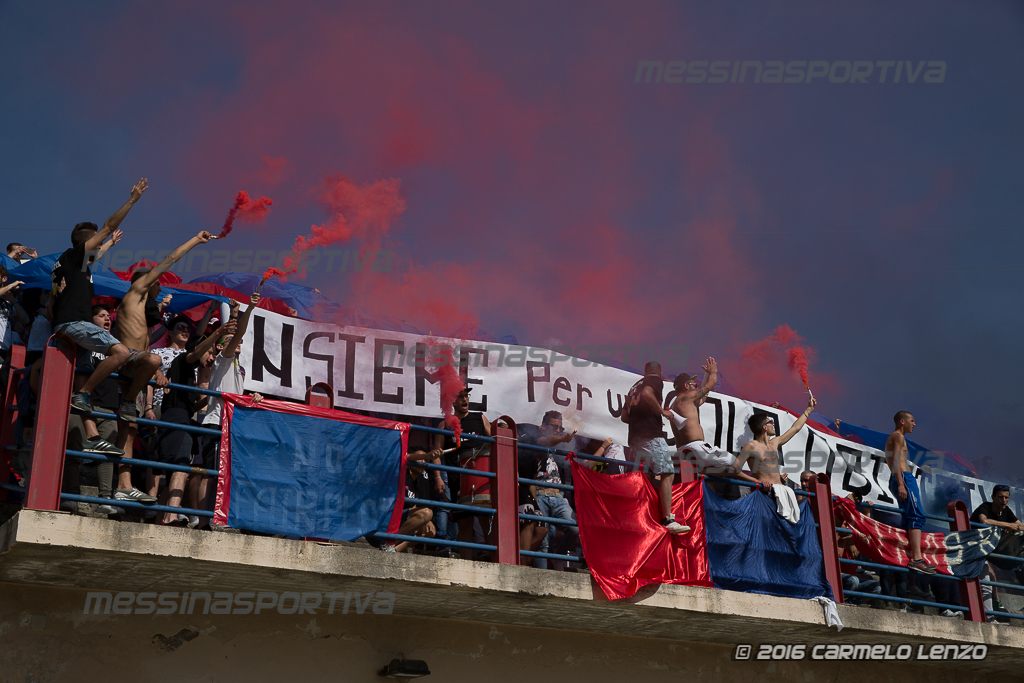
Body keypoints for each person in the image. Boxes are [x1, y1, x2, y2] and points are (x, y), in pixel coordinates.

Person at [55, 179, 148, 455]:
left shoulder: (72, 263)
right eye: (96, 239)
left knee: (83, 374)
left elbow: (95, 255)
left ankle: (93, 435)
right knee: (119, 352)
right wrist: (132, 200)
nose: (101, 240)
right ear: (87, 242)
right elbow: (109, 225)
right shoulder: (75, 255)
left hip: (68, 326)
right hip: (74, 324)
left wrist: (109, 243)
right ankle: (82, 396)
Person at [155, 324, 233, 526]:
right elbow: (194, 353)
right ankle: (171, 518)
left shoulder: (190, 376)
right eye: (209, 352)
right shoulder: (184, 360)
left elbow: (191, 405)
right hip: (177, 420)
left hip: (180, 418)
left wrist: (211, 398)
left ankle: (160, 519)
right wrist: (217, 333)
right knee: (182, 468)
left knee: (173, 472)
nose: (211, 357)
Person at [622, 360, 689, 534]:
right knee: (667, 472)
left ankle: (642, 515)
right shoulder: (653, 381)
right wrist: (662, 412)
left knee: (649, 476)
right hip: (650, 436)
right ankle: (668, 519)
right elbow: (647, 393)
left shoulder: (633, 388)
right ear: (659, 373)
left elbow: (624, 417)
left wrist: (646, 418)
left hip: (635, 439)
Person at [430, 387, 492, 560]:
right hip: (457, 480)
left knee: (486, 520)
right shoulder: (445, 425)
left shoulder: (480, 417)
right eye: (460, 397)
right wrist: (438, 477)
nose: (465, 400)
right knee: (464, 524)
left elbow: (495, 444)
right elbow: (436, 454)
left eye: (466, 396)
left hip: (481, 480)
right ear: (452, 401)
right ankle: (467, 564)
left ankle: (497, 563)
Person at [518, 411, 581, 570]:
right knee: (544, 539)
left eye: (560, 428)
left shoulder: (559, 450)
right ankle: (542, 575)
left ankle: (557, 559)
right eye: (554, 426)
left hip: (558, 497)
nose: (558, 430)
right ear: (543, 426)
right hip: (539, 493)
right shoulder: (535, 437)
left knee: (574, 529)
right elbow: (544, 440)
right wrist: (562, 438)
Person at [885, 411, 935, 575]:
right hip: (904, 479)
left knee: (910, 517)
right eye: (911, 421)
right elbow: (895, 462)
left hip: (904, 478)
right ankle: (917, 559)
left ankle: (912, 557)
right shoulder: (897, 436)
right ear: (902, 421)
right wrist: (901, 484)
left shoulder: (897, 437)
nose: (914, 424)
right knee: (916, 516)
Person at [0, 267, 28, 352]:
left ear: (4, 278)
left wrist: (13, 301)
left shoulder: (8, 301)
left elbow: (25, 320)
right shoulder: (10, 287)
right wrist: (11, 285)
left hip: (5, 348)